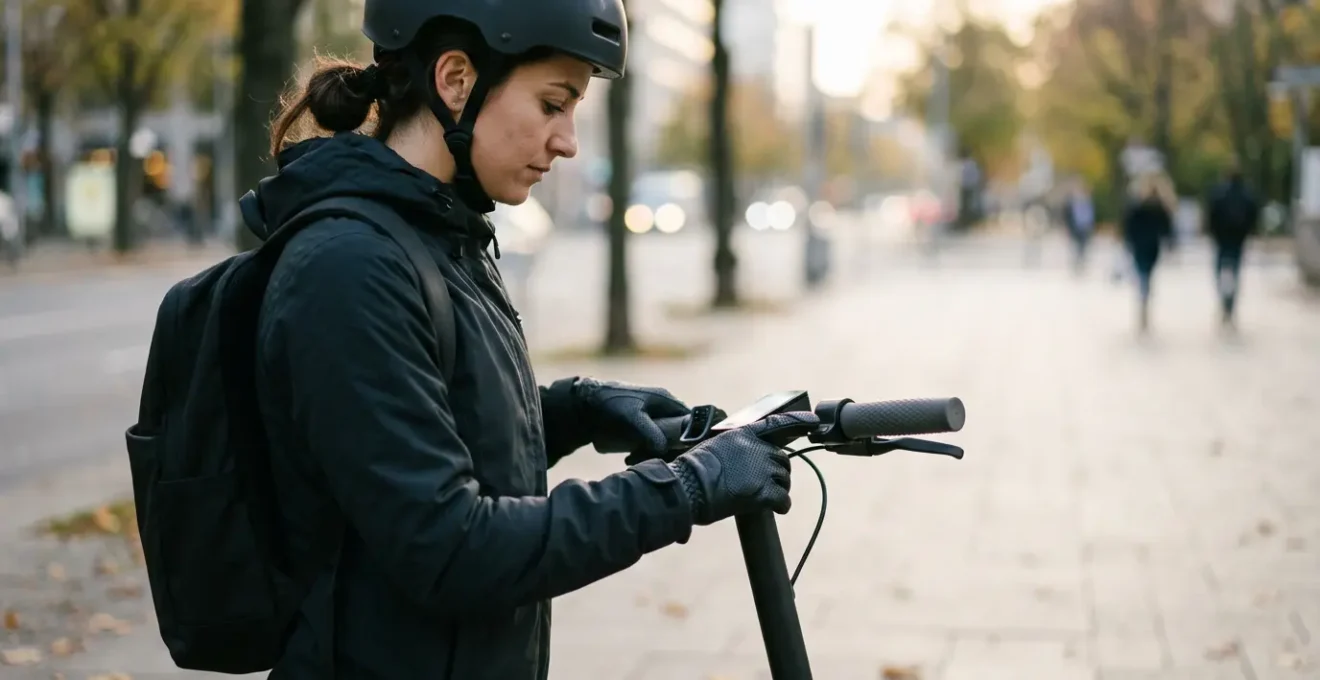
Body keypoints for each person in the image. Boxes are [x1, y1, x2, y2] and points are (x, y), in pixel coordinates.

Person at [246, 1, 816, 678]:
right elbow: (451, 547)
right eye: (553, 104)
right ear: (456, 80)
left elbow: (427, 438)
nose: (569, 140)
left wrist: (576, 410)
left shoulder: (440, 236)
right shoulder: (349, 268)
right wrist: (685, 488)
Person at [1204, 163, 1261, 328]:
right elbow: (1253, 215)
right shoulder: (1246, 193)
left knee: (1220, 270)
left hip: (1221, 240)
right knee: (1234, 271)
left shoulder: (1218, 192)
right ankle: (1230, 305)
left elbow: (1211, 214)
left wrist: (1212, 233)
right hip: (1238, 240)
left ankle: (1224, 300)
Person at [1122, 171, 1176, 332]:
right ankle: (1145, 296)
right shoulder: (1160, 206)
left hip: (1140, 246)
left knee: (1142, 273)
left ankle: (1143, 297)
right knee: (1147, 274)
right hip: (1152, 246)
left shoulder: (1137, 204)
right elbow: (1167, 229)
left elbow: (1128, 225)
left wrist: (1128, 242)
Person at [1062, 178, 1096, 274]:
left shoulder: (1089, 203)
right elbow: (1070, 216)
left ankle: (1081, 264)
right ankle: (1077, 264)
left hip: (1085, 228)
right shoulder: (1074, 203)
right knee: (1077, 247)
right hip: (1077, 228)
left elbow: (1090, 216)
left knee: (1083, 248)